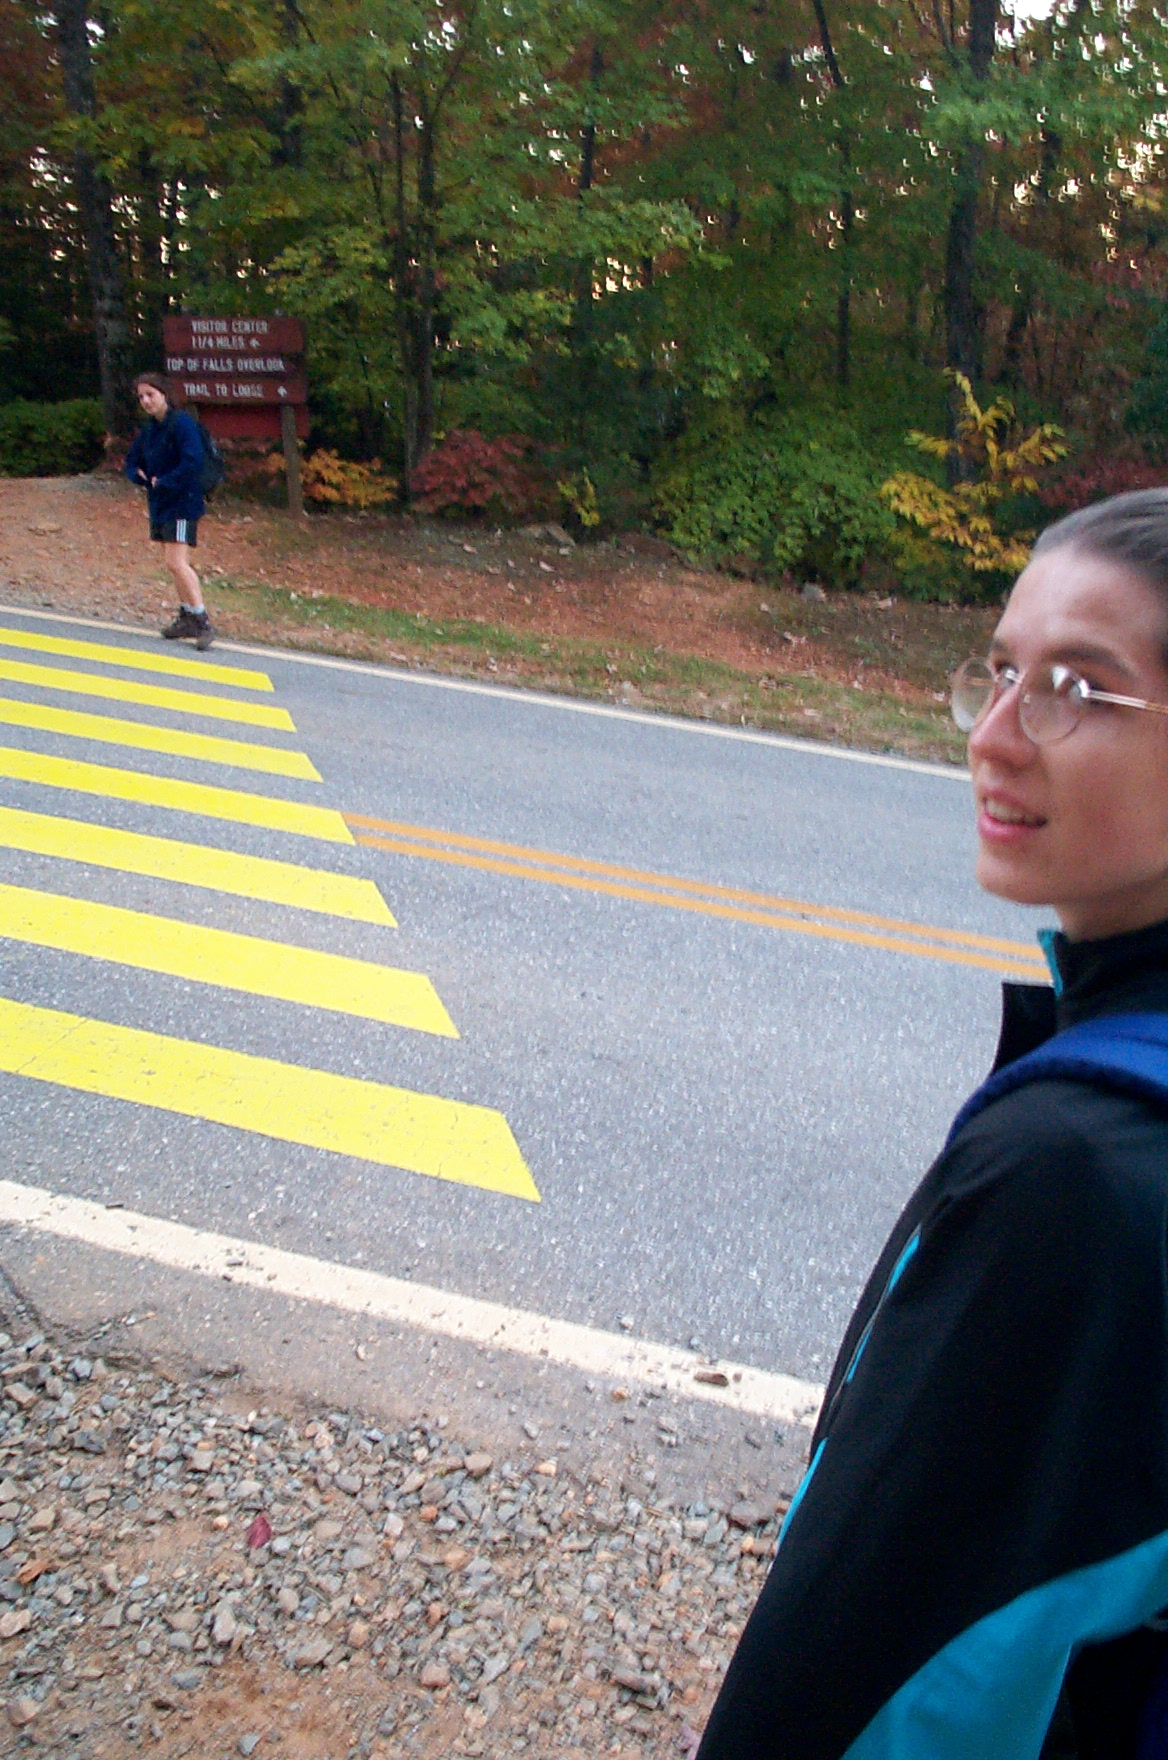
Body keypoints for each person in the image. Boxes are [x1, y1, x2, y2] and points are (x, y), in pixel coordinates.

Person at [697, 488, 1168, 1760]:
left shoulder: (1067, 1175)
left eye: (1076, 687)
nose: (995, 736)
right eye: (1001, 671)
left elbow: (877, 1688)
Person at [124, 372, 214, 650]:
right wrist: (140, 476)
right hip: (161, 502)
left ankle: (202, 619)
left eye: (150, 394)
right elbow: (131, 461)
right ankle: (187, 614)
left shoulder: (182, 423)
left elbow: (193, 461)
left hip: (182, 501)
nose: (146, 401)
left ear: (164, 394)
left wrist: (165, 481)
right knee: (170, 563)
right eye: (141, 396)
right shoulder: (150, 429)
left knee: (177, 562)